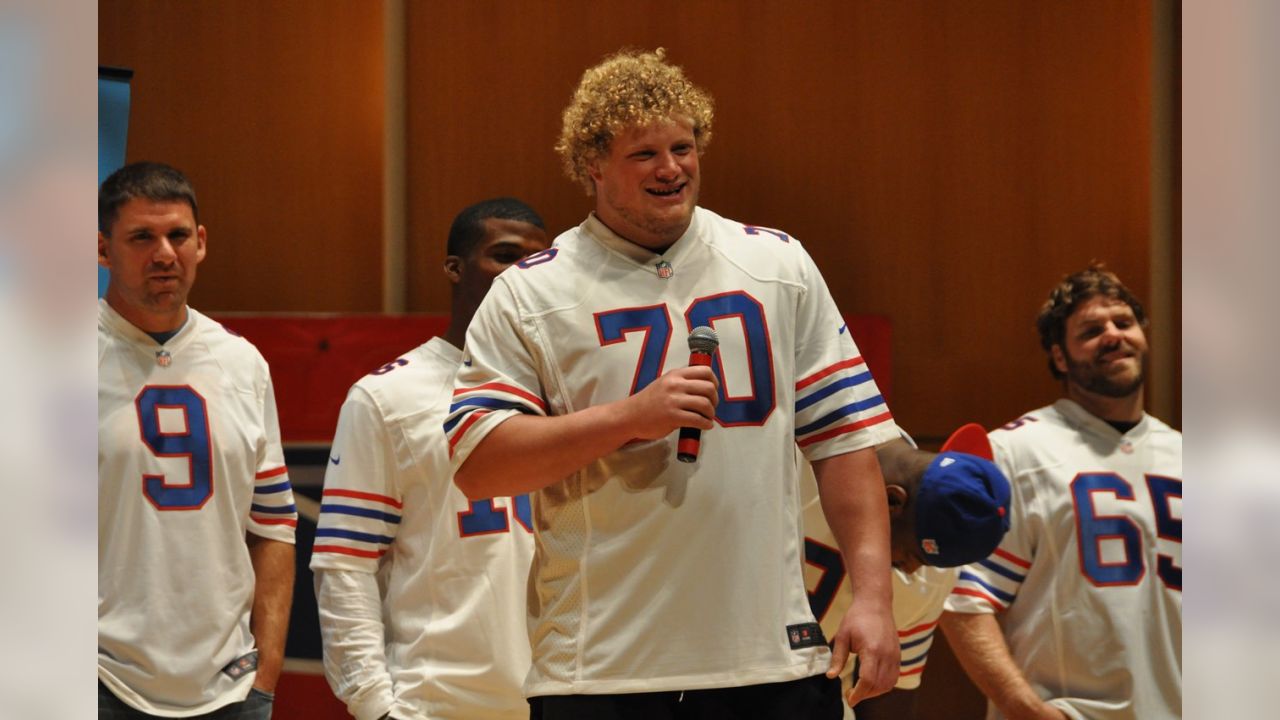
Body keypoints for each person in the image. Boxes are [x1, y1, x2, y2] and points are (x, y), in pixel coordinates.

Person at [446, 48, 900, 719]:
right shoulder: (529, 294)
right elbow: (481, 466)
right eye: (644, 154)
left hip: (773, 662)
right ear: (592, 165)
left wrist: (873, 599)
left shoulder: (778, 264)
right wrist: (627, 418)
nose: (671, 169)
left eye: (683, 147)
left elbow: (845, 443)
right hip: (599, 673)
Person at [310, 198, 550, 720]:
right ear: (454, 268)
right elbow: (345, 566)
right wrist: (374, 705)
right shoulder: (387, 397)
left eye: (537, 260)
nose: (522, 276)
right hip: (437, 705)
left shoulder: (572, 390)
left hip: (562, 697)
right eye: (505, 256)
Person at [97, 162, 297, 718]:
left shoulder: (242, 363)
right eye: (142, 237)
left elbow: (274, 525)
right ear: (101, 249)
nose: (164, 253)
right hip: (96, 682)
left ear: (201, 242)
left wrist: (268, 669)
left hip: (230, 690)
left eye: (178, 235)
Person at [941, 265, 1182, 720]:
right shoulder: (1014, 451)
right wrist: (1026, 711)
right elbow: (961, 600)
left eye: (1124, 323)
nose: (1113, 336)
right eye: (1091, 331)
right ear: (1060, 357)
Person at [801, 434, 1011, 720]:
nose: (913, 571)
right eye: (915, 557)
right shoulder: (800, 451)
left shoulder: (807, 441)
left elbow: (889, 694)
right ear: (892, 500)